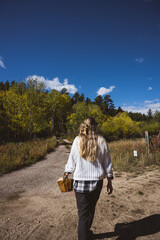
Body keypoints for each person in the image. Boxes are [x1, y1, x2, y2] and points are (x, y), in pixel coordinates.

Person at [64, 117, 113, 240]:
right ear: (95, 126)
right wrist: (109, 181)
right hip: (96, 182)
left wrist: (67, 172)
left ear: (84, 126)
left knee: (82, 214)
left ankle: (84, 233)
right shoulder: (101, 140)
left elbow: (72, 160)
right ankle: (86, 232)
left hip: (79, 181)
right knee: (91, 209)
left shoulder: (77, 140)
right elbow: (107, 163)